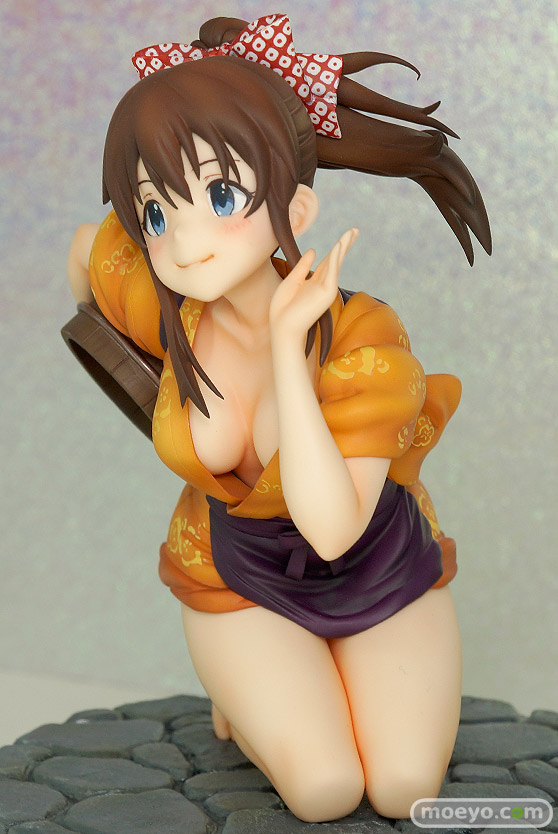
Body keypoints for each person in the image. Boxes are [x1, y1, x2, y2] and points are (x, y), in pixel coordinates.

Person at [67, 14, 491, 823]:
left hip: (378, 569)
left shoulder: (364, 338)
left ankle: (301, 686)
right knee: (325, 789)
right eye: (157, 212)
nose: (184, 243)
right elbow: (89, 249)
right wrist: (114, 347)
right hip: (238, 580)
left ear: (295, 210)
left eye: (220, 197)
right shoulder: (173, 307)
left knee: (403, 788)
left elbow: (333, 531)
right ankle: (254, 692)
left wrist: (291, 357)